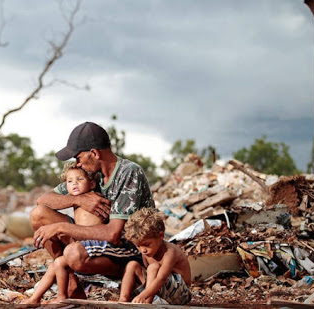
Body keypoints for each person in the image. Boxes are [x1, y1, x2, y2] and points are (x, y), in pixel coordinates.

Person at [29, 121, 155, 299]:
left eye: (78, 158)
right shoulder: (90, 173)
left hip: (129, 250)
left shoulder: (129, 173)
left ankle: (128, 278)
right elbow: (43, 199)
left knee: (73, 254)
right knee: (38, 214)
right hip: (96, 242)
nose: (77, 164)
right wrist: (78, 199)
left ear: (94, 153)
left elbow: (113, 234)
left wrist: (60, 228)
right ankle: (73, 286)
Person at [21, 162, 104, 305]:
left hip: (94, 244)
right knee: (57, 263)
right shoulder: (77, 193)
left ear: (92, 184)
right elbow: (41, 200)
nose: (74, 184)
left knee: (58, 263)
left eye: (80, 180)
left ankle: (61, 295)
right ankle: (35, 298)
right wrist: (75, 200)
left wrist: (63, 229)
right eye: (70, 181)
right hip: (80, 240)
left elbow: (96, 230)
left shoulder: (95, 196)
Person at [118, 207, 192, 304]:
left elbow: (161, 278)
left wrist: (143, 295)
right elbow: (149, 277)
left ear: (161, 236)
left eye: (147, 244)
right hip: (159, 290)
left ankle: (147, 303)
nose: (143, 250)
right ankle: (123, 300)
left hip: (181, 293)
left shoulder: (170, 252)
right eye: (138, 246)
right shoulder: (146, 252)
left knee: (153, 267)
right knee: (132, 265)